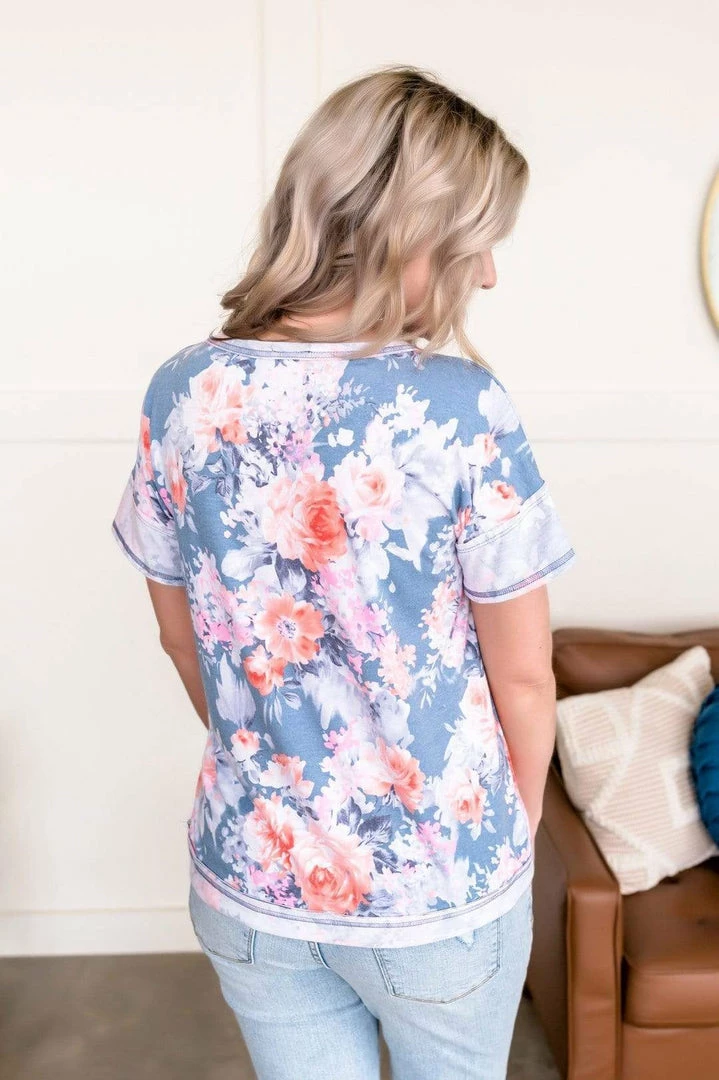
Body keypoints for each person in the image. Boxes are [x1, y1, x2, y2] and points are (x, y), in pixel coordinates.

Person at [111, 63, 577, 1080]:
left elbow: (179, 638)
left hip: (252, 879)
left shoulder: (184, 391)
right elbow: (525, 679)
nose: (485, 276)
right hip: (437, 898)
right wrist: (507, 841)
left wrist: (279, 766)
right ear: (406, 232)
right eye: (474, 242)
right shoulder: (460, 407)